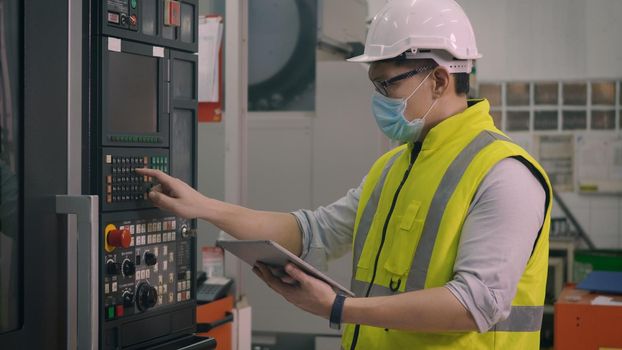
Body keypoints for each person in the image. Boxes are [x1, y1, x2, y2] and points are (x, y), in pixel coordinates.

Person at [137, 0, 552, 348]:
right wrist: (203, 206)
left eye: (387, 85)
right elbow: (312, 231)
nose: (379, 100)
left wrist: (336, 307)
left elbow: (474, 304)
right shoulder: (393, 168)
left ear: (440, 80)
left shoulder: (504, 174)